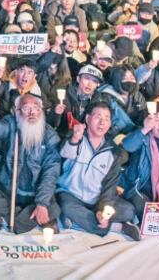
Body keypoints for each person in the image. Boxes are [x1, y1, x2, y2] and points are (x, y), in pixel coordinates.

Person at [0, 92, 62, 236]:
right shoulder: (12, 124)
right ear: (17, 112)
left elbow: (51, 172)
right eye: (26, 108)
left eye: (35, 108)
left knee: (54, 207)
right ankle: (34, 219)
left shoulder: (50, 136)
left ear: (41, 110)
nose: (32, 112)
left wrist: (42, 203)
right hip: (9, 192)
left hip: (35, 195)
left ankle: (11, 219)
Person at [56, 101, 139, 239]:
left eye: (106, 119)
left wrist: (102, 210)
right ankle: (119, 227)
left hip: (96, 201)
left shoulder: (114, 152)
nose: (102, 123)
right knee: (66, 206)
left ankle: (78, 220)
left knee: (129, 211)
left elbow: (109, 187)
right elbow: (65, 153)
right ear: (88, 119)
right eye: (98, 117)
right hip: (70, 195)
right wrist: (75, 138)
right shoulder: (76, 137)